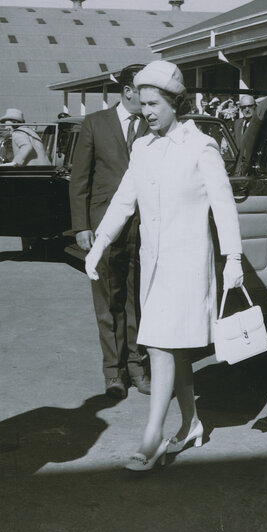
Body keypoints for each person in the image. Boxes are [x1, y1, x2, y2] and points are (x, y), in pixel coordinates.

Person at [84, 60, 244, 471]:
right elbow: (124, 200)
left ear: (176, 103)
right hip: (153, 265)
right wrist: (99, 243)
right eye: (142, 104)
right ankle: (191, 424)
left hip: (187, 265)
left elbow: (224, 205)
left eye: (154, 104)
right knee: (174, 348)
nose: (147, 111)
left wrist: (233, 258)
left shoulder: (201, 146)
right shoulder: (143, 147)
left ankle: (152, 437)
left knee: (158, 345)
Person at [69, 63, 150, 399]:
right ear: (128, 91)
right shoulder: (95, 123)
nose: (151, 98)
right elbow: (79, 179)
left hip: (145, 226)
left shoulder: (153, 123)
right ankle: (113, 371)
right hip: (103, 224)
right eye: (145, 90)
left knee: (138, 298)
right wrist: (82, 226)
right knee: (107, 300)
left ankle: (137, 366)